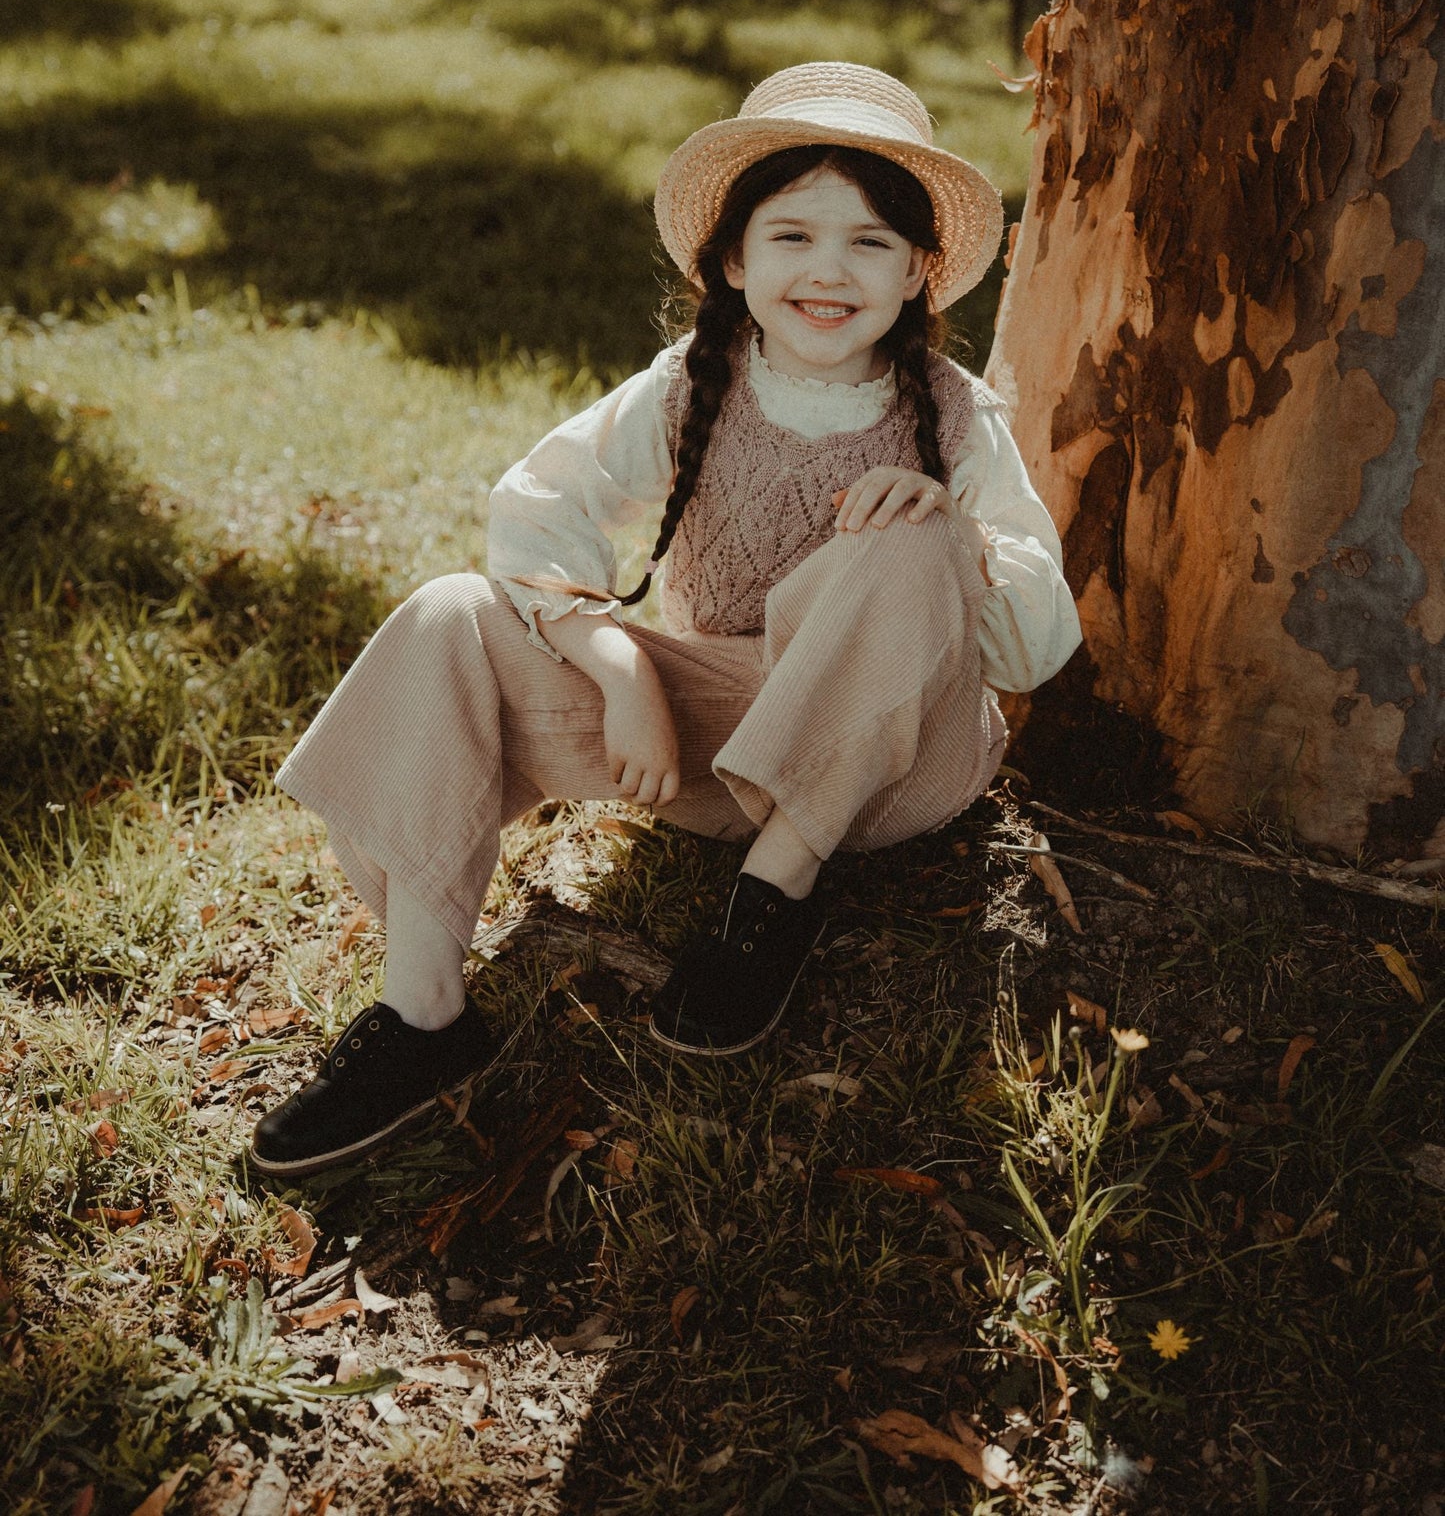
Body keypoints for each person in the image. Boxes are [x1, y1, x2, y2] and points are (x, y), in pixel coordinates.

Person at [249, 62, 1080, 1178]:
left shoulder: (953, 414)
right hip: (710, 749)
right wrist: (620, 669)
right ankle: (423, 1011)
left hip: (886, 769)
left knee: (908, 534)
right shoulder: (690, 381)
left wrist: (953, 533)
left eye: (869, 241)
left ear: (918, 271)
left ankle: (771, 897)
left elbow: (1033, 646)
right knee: (449, 611)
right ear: (733, 260)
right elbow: (535, 520)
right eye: (791, 235)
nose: (827, 269)